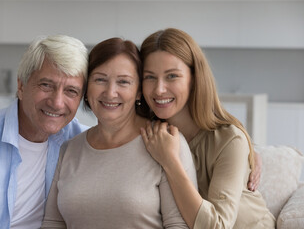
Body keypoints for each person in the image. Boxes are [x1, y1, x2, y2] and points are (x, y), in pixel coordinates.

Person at [41, 37, 197, 229]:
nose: (110, 92)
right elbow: (53, 223)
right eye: (100, 79)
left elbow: (178, 225)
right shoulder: (70, 149)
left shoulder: (166, 143)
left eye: (123, 82)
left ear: (138, 91)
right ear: (86, 87)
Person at [0, 35, 89, 229]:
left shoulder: (80, 140)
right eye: (46, 85)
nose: (56, 103)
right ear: (21, 85)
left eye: (71, 91)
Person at [139, 28, 275, 229]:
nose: (159, 89)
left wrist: (170, 161)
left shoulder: (229, 140)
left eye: (172, 76)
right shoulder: (147, 132)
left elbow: (217, 226)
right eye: (150, 77)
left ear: (194, 79)